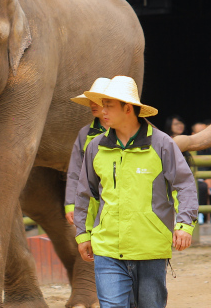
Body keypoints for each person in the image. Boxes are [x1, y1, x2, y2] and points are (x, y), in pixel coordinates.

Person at [74, 76, 198, 308]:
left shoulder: (162, 144)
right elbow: (85, 194)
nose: (102, 111)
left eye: (109, 105)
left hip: (150, 248)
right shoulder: (95, 146)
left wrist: (184, 225)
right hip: (107, 249)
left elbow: (185, 185)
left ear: (128, 108)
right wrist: (83, 234)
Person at [64, 78, 111, 225]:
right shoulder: (84, 134)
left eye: (96, 100)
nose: (92, 104)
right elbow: (75, 170)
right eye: (90, 100)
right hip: (94, 203)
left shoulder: (131, 129)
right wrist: (70, 204)